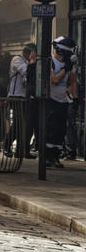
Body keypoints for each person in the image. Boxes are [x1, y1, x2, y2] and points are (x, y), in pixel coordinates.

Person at [48, 36, 78, 168]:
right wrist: (65, 68)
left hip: (63, 101)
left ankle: (56, 156)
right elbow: (54, 80)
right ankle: (48, 157)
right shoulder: (51, 62)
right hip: (51, 100)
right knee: (51, 129)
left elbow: (73, 81)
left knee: (61, 130)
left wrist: (75, 99)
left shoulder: (69, 65)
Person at [6, 43, 37, 159]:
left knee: (26, 125)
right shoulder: (17, 60)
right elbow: (27, 72)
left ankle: (23, 150)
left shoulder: (29, 62)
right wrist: (32, 62)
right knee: (19, 123)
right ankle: (6, 145)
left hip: (26, 97)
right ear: (27, 53)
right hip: (16, 96)